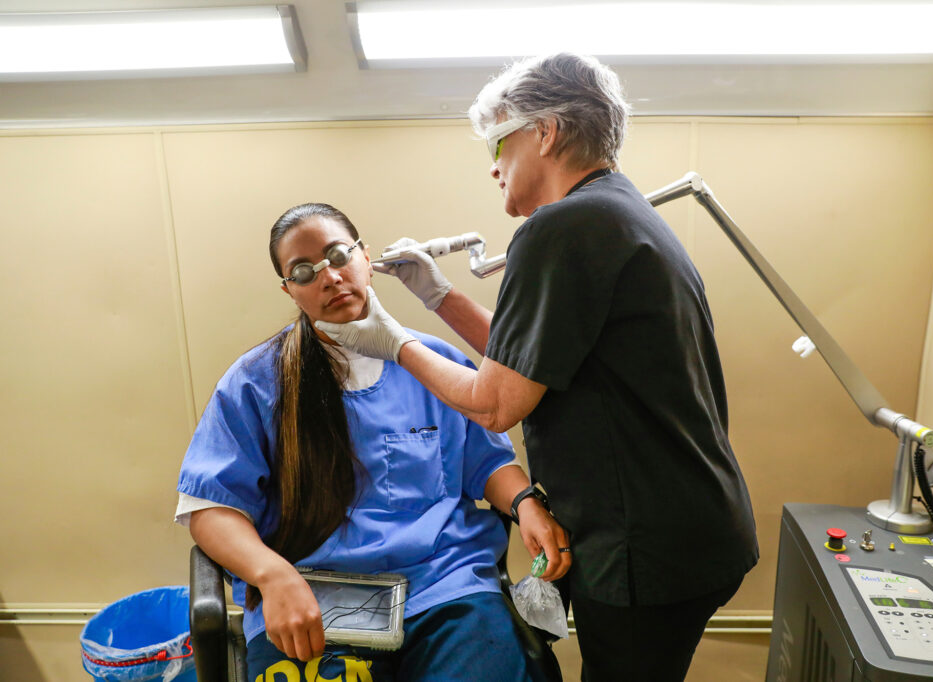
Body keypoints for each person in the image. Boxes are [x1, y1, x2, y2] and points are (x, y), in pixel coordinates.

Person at [316, 53, 759, 681]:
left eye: (498, 143)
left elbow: (496, 403)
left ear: (545, 132)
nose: (494, 166)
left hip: (648, 547)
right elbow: (535, 358)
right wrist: (440, 298)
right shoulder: (616, 211)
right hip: (691, 525)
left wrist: (392, 341)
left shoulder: (564, 225)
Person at [175, 203, 571, 682]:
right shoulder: (254, 384)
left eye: (339, 255)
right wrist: (271, 575)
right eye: (304, 271)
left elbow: (485, 461)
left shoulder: (435, 363)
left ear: (366, 258)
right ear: (289, 291)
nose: (329, 277)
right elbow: (209, 507)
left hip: (444, 587)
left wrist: (526, 502)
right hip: (315, 596)